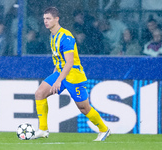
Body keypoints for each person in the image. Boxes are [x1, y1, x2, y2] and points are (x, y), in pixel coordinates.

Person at [33, 7, 110, 141]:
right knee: (39, 93)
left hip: (74, 76)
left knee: (83, 108)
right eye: (44, 19)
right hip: (61, 73)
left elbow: (69, 63)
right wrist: (55, 73)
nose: (45, 21)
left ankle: (104, 129)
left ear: (57, 19)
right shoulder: (52, 36)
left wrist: (58, 81)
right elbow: (60, 60)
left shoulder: (66, 37)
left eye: (48, 18)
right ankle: (43, 129)